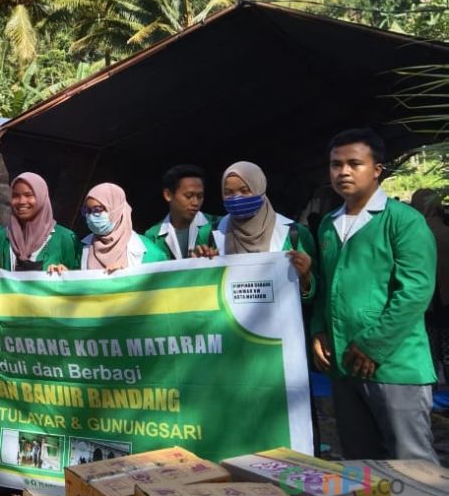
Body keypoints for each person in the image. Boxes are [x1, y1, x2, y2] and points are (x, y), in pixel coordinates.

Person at [312, 129, 438, 462]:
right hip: (344, 363)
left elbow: (415, 291)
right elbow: (326, 286)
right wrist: (319, 331)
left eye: (355, 163)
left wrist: (372, 344)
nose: (344, 172)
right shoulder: (328, 224)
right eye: (336, 164)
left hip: (395, 363)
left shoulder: (403, 221)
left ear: (377, 168)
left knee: (412, 463)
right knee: (360, 463)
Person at [198, 161, 315, 296]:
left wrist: (306, 277)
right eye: (228, 192)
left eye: (244, 190)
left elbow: (313, 296)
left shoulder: (295, 233)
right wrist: (198, 267)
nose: (236, 198)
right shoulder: (209, 233)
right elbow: (202, 292)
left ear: (259, 188)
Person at [0, 172, 79, 272]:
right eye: (15, 196)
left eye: (28, 195)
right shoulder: (0, 238)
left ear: (42, 197)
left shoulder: (66, 239)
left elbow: (79, 282)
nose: (21, 201)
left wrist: (66, 274)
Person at [81, 183, 168, 271]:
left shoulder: (151, 253)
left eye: (97, 209)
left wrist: (125, 277)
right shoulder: (80, 248)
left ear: (116, 210)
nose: (91, 216)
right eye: (87, 210)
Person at [412, 189, 449, 377]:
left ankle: (431, 390)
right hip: (446, 301)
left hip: (424, 304)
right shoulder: (445, 231)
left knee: (429, 350)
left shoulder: (413, 235)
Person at [144, 165, 214, 260]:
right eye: (188, 196)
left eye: (200, 196)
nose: (195, 202)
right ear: (168, 195)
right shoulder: (152, 236)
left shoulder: (216, 227)